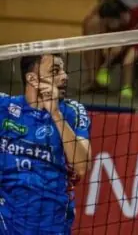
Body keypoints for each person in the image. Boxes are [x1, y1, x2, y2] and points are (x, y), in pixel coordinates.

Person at [0, 54, 92, 233]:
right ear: (32, 79)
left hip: (50, 220)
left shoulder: (73, 111)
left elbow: (82, 166)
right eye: (55, 71)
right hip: (6, 216)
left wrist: (55, 114)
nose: (64, 76)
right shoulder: (4, 107)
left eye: (63, 70)